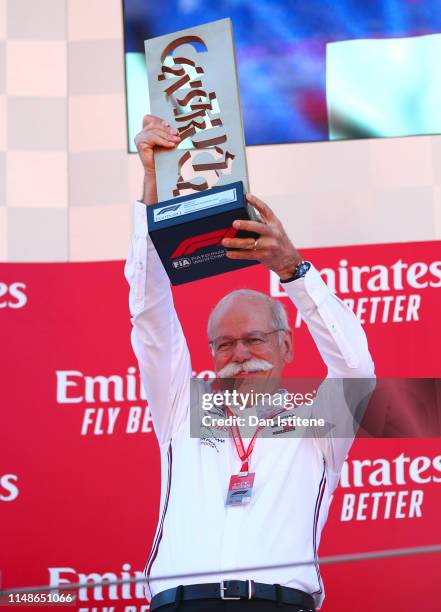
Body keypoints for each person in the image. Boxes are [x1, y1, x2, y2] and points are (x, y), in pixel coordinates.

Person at [125, 115, 375, 611]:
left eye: (255, 340)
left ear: (286, 347)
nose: (240, 355)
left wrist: (292, 270)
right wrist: (152, 189)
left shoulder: (318, 423)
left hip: (278, 604)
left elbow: (355, 367)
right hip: (181, 604)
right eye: (225, 344)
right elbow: (150, 314)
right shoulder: (182, 408)